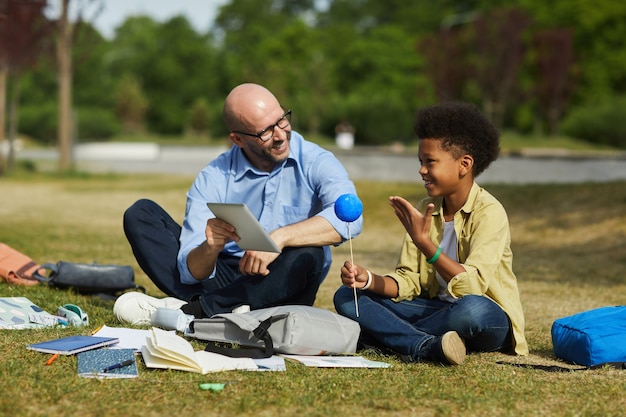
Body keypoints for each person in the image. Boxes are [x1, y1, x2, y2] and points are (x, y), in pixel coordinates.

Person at [115, 83, 363, 325]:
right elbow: (192, 271)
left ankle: (194, 311)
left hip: (281, 278)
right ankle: (224, 310)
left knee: (310, 253)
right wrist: (210, 247)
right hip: (222, 274)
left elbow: (350, 220)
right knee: (141, 213)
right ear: (238, 139)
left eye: (282, 120)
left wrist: (280, 238)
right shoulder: (213, 176)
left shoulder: (318, 161)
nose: (280, 135)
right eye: (265, 132)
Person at [333, 102, 528, 365]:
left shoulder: (489, 212)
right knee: (347, 297)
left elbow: (472, 287)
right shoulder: (426, 210)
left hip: (486, 319)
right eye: (421, 162)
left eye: (430, 162)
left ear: (464, 164)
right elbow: (409, 281)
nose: (422, 170)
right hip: (437, 309)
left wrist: (426, 245)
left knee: (471, 311)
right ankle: (424, 346)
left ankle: (385, 335)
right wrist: (368, 280)